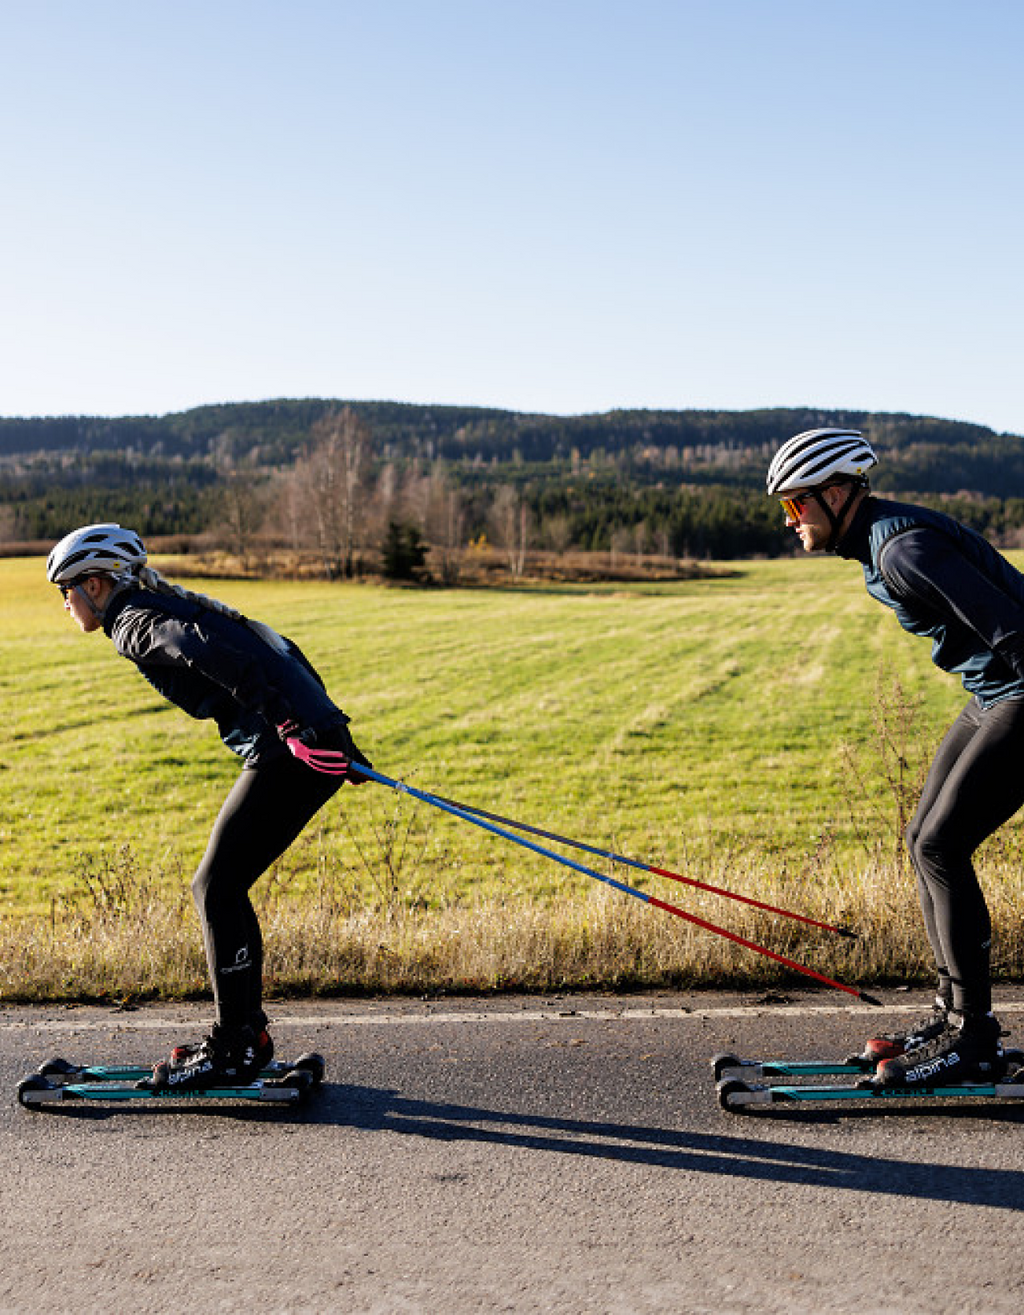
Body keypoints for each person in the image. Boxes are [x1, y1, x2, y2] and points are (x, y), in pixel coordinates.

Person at [46, 523, 372, 1090]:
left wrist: (300, 727)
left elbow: (209, 650)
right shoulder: (162, 605)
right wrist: (333, 736)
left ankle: (236, 1044)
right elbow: (279, 649)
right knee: (221, 885)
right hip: (306, 744)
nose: (65, 603)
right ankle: (246, 1035)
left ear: (95, 584)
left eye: (66, 590)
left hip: (288, 751)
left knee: (215, 887)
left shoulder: (132, 622)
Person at [766, 427, 1024, 1086]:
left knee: (941, 843)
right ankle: (954, 1017)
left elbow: (1015, 627)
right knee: (923, 838)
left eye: (796, 505)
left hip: (1021, 691)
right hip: (995, 692)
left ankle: (972, 1036)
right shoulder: (877, 543)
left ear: (834, 492)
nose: (790, 521)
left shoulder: (903, 549)